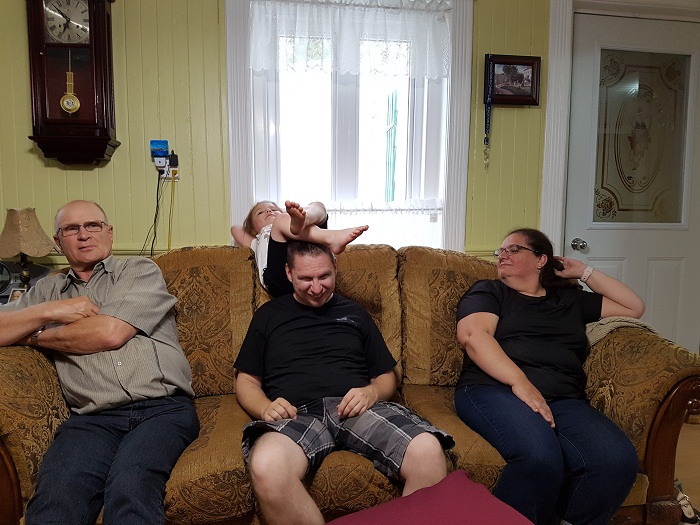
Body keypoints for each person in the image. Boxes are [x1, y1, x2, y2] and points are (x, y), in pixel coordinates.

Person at [0, 200, 199, 525]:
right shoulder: (48, 289)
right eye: (71, 229)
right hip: (91, 419)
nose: (84, 235)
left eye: (93, 225)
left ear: (109, 233)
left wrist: (33, 335)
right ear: (58, 241)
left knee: (130, 489)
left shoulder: (139, 271)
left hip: (162, 409)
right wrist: (50, 310)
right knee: (55, 500)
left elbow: (110, 333)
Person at [234, 241, 454, 525]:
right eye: (305, 278)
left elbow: (387, 376)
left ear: (335, 268)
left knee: (428, 451)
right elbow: (246, 380)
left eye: (324, 276)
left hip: (356, 409)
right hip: (296, 413)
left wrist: (372, 391)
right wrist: (265, 407)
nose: (316, 288)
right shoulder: (268, 316)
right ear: (289, 273)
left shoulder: (356, 313)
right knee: (267, 465)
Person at [454, 227, 645, 525]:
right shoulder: (490, 291)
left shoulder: (570, 300)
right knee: (540, 457)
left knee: (616, 460)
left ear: (541, 259)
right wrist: (520, 382)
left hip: (564, 398)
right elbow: (473, 336)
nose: (502, 255)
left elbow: (633, 307)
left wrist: (583, 271)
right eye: (500, 251)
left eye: (514, 249)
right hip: (493, 389)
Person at [231, 200, 368, 297]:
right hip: (278, 278)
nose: (268, 211)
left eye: (274, 209)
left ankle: (306, 218)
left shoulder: (285, 221)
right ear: (252, 229)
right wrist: (280, 220)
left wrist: (297, 220)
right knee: (281, 222)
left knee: (319, 206)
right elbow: (235, 229)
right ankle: (330, 238)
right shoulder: (256, 239)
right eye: (260, 212)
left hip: (307, 260)